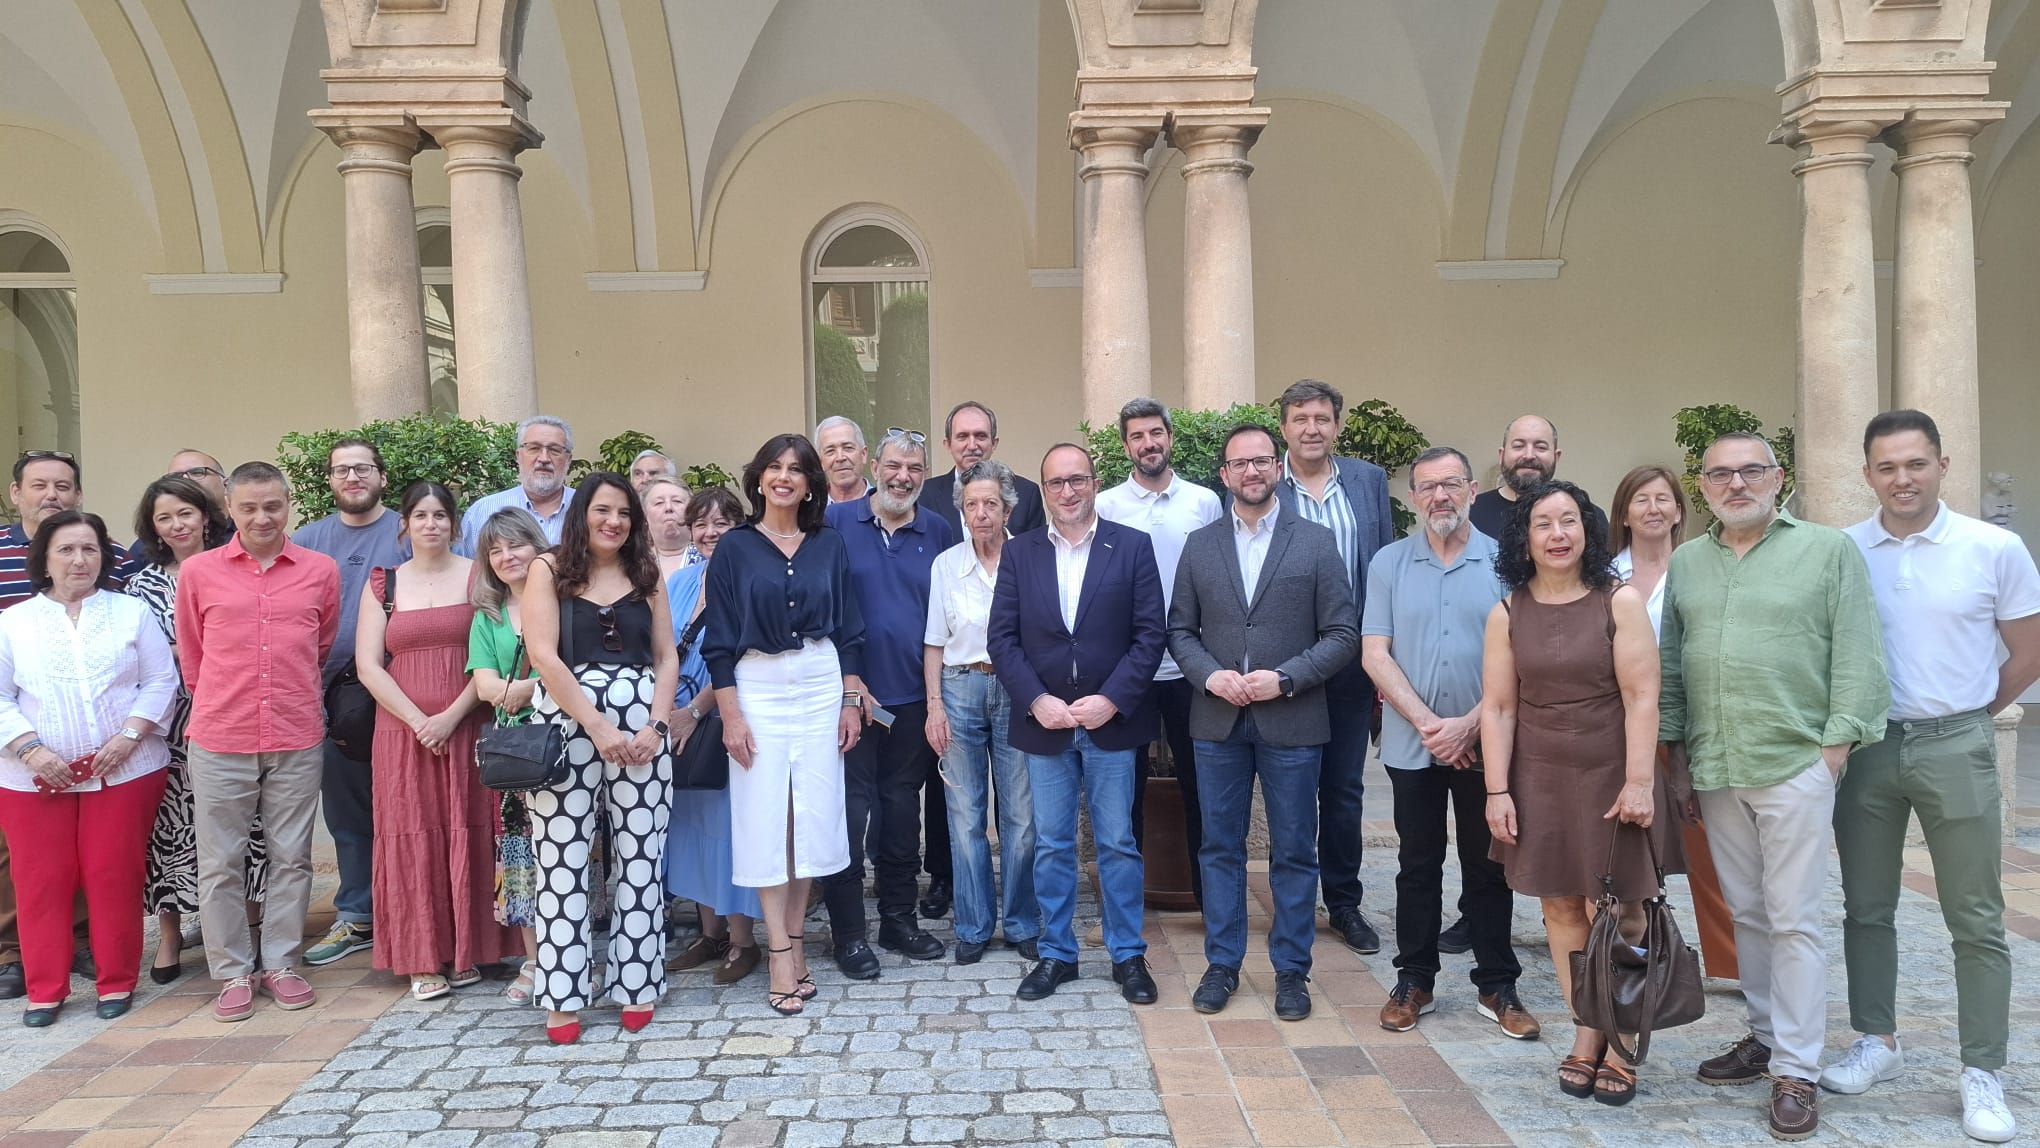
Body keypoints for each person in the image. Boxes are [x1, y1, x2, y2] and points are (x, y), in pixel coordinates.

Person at [1659, 432, 1888, 1142]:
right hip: (1717, 765)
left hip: (1793, 764)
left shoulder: (1827, 552)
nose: (1736, 484)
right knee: (1749, 913)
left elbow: (1857, 655)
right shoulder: (1690, 563)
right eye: (1721, 474)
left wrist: (1832, 754)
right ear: (1704, 485)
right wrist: (1676, 759)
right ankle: (1763, 1035)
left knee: (1795, 920)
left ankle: (1797, 1069)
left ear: (1777, 477)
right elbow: (1672, 665)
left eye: (1750, 470)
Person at [1824, 410, 2040, 1143]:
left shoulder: (1993, 548)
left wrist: (1974, 713)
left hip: (1957, 742)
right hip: (1870, 748)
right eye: (1886, 467)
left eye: (1915, 464)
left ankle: (1983, 1070)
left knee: (1976, 917)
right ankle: (1876, 1040)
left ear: (1943, 465)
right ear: (1867, 475)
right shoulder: (1846, 551)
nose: (1902, 479)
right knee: (1865, 905)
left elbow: (2027, 647)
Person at [1482, 480, 1677, 1105]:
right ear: (1525, 538)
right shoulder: (1507, 611)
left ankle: (1620, 1039)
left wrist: (1640, 780)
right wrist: (1496, 790)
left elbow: (1642, 695)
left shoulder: (1617, 602)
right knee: (1562, 909)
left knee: (1617, 909)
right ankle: (1585, 1032)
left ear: (1588, 531)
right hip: (1538, 775)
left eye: (1570, 521)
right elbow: (1500, 707)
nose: (1558, 534)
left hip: (1611, 774)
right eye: (1544, 523)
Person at [1168, 425, 1358, 1021]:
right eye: (1239, 464)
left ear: (1276, 467)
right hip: (1217, 718)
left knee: (1295, 851)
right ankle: (1222, 964)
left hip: (1293, 718)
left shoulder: (1317, 542)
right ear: (1222, 475)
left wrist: (1288, 678)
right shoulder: (1200, 545)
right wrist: (1208, 676)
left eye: (1260, 461)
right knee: (1218, 847)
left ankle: (1292, 972)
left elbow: (1342, 634)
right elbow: (1178, 631)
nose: (1251, 472)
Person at [1361, 447, 1537, 1040]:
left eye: (1452, 484)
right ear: (1414, 497)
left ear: (1472, 489)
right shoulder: (1388, 563)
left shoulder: (1506, 561)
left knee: (1490, 865)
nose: (1441, 496)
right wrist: (1432, 727)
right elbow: (1374, 653)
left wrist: (1468, 723)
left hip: (1489, 742)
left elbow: (1521, 655)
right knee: (1416, 865)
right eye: (1429, 486)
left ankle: (1497, 982)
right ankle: (1414, 979)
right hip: (1414, 746)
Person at [988, 443, 1165, 1004]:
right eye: (1056, 482)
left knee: (1117, 842)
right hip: (1046, 724)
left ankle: (1128, 955)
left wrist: (1112, 699)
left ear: (1094, 482)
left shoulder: (1132, 547)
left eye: (1077, 480)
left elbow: (1149, 635)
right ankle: (1057, 953)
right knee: (1052, 844)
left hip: (1109, 724)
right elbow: (1002, 639)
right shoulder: (1020, 555)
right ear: (1043, 490)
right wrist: (1036, 699)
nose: (1068, 491)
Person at [702, 434, 867, 1016]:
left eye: (796, 470)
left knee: (810, 825)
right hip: (759, 688)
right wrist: (730, 716)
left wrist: (850, 698)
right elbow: (718, 642)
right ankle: (778, 952)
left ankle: (795, 944)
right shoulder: (736, 549)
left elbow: (849, 629)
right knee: (767, 820)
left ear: (810, 483)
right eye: (774, 466)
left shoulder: (829, 544)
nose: (784, 477)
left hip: (821, 682)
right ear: (759, 476)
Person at [176, 461, 340, 1022]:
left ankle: (282, 962)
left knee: (292, 857)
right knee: (220, 860)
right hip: (222, 735)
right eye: (248, 508)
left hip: (295, 732)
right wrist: (226, 701)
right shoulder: (199, 572)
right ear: (229, 508)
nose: (261, 517)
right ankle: (230, 972)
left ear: (288, 503)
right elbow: (193, 656)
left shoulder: (320, 570)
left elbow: (318, 647)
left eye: (272, 505)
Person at [0, 510, 175, 1026]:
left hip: (125, 768)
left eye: (90, 550)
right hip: (33, 776)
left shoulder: (130, 613)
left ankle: (116, 981)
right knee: (41, 879)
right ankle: (45, 990)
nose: (80, 560)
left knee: (110, 873)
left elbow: (160, 681)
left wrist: (129, 737)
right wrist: (31, 748)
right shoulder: (13, 621)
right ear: (45, 560)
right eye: (67, 550)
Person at [523, 473, 680, 1043]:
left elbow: (667, 656)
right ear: (581, 514)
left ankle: (637, 983)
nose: (613, 521)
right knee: (561, 861)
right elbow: (542, 653)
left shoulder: (647, 573)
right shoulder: (548, 569)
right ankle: (562, 995)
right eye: (602, 510)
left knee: (641, 857)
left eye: (623, 513)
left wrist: (657, 724)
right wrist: (596, 724)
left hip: (644, 731)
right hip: (568, 723)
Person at [354, 481, 518, 1001]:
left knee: (473, 828)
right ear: (404, 524)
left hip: (468, 722)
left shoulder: (478, 576)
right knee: (413, 833)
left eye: (441, 516)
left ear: (454, 524)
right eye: (420, 515)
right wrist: (418, 720)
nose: (431, 524)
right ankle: (422, 956)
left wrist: (448, 717)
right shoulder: (383, 584)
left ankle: (471, 949)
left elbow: (497, 651)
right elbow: (367, 665)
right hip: (401, 734)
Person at [126, 476, 266, 986]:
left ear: (206, 516)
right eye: (165, 518)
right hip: (169, 725)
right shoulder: (141, 586)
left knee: (243, 827)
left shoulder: (234, 568)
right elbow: (136, 658)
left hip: (233, 717)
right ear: (154, 528)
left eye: (185, 513)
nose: (177, 525)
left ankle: (249, 928)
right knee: (171, 832)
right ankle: (170, 934)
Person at [824, 428, 954, 971]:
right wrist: (847, 688)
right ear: (874, 465)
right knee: (848, 817)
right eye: (895, 465)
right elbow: (822, 611)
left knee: (902, 815)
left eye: (916, 470)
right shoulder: (834, 524)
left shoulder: (940, 531)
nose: (904, 477)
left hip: (912, 700)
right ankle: (849, 933)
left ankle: (900, 921)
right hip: (845, 701)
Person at [1273, 380, 1393, 956]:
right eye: (1300, 418)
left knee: (1344, 790)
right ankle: (1291, 905)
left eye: (1322, 418)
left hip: (1353, 661)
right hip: (1290, 663)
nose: (1312, 428)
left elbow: (1386, 566)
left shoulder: (1367, 481)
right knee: (1290, 789)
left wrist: (1383, 651)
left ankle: (1343, 902)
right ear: (1285, 428)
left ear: (1337, 425)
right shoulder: (1266, 482)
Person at [1608, 464, 1738, 982]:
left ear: (1680, 511)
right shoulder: (1604, 574)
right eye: (1641, 500)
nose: (1654, 509)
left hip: (1694, 724)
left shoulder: (1701, 568)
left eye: (1663, 499)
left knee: (1709, 844)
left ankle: (1731, 964)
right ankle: (1626, 944)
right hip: (1623, 728)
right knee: (1631, 844)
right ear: (1623, 512)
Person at [0, 451, 119, 998]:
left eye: (64, 486)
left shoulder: (103, 557)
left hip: (86, 732)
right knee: (16, 856)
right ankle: (15, 952)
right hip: (12, 727)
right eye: (40, 485)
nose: (52, 494)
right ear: (15, 491)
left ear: (77, 495)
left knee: (78, 844)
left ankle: (79, 942)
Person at [1095, 398, 1221, 904]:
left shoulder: (1205, 502)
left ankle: (1208, 896)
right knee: (1125, 789)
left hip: (1191, 666)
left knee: (1200, 784)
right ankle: (1127, 901)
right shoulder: (1106, 505)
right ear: (1125, 445)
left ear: (1170, 437)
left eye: (1155, 433)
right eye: (1136, 436)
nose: (1147, 443)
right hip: (1128, 668)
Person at [293, 439, 407, 967]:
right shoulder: (308, 540)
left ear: (381, 476)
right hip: (330, 697)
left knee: (408, 807)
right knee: (347, 812)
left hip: (403, 690)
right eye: (342, 470)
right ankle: (357, 914)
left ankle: (410, 911)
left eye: (363, 468)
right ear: (331, 480)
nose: (353, 477)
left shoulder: (408, 530)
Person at [924, 460, 1040, 965]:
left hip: (1017, 689)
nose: (981, 513)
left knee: (1020, 814)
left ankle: (1021, 922)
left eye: (990, 503)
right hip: (959, 687)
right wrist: (934, 707)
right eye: (971, 504)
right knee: (964, 813)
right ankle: (972, 926)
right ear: (962, 511)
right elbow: (933, 643)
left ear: (1008, 507)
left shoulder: (1032, 558)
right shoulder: (946, 565)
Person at [662, 487, 763, 986]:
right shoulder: (679, 582)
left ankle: (744, 942)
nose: (710, 533)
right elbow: (660, 651)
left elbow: (744, 656)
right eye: (700, 524)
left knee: (729, 830)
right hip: (679, 721)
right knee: (691, 825)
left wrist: (697, 711)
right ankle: (710, 933)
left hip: (728, 717)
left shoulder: (748, 580)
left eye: (721, 523)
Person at [466, 507, 550, 1005]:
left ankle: (576, 952)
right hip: (516, 754)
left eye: (515, 545)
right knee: (520, 859)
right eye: (494, 550)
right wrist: (517, 690)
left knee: (574, 856)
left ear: (537, 546)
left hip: (566, 741)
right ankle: (535, 960)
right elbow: (483, 684)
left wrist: (524, 687)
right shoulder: (488, 616)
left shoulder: (564, 600)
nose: (505, 557)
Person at [919, 401, 1045, 539]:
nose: (972, 445)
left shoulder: (1027, 494)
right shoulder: (924, 495)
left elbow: (1035, 554)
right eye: (962, 436)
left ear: (994, 443)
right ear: (948, 444)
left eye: (980, 436)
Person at [458, 415, 578, 555]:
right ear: (518, 456)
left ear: (568, 459)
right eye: (534, 448)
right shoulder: (482, 512)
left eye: (554, 450)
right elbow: (464, 570)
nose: (544, 458)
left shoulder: (588, 508)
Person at [1468, 414, 1562, 541]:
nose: (1529, 456)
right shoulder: (1469, 515)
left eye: (1540, 447)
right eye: (1518, 446)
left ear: (1556, 457)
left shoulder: (1583, 517)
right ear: (1502, 455)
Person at [644, 475, 696, 577]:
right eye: (659, 503)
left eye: (677, 501)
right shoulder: (633, 562)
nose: (668, 507)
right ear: (644, 516)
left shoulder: (709, 558)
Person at [816, 417, 873, 505]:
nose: (840, 458)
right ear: (821, 462)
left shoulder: (883, 506)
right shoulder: (811, 511)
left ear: (863, 454)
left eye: (848, 448)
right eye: (830, 451)